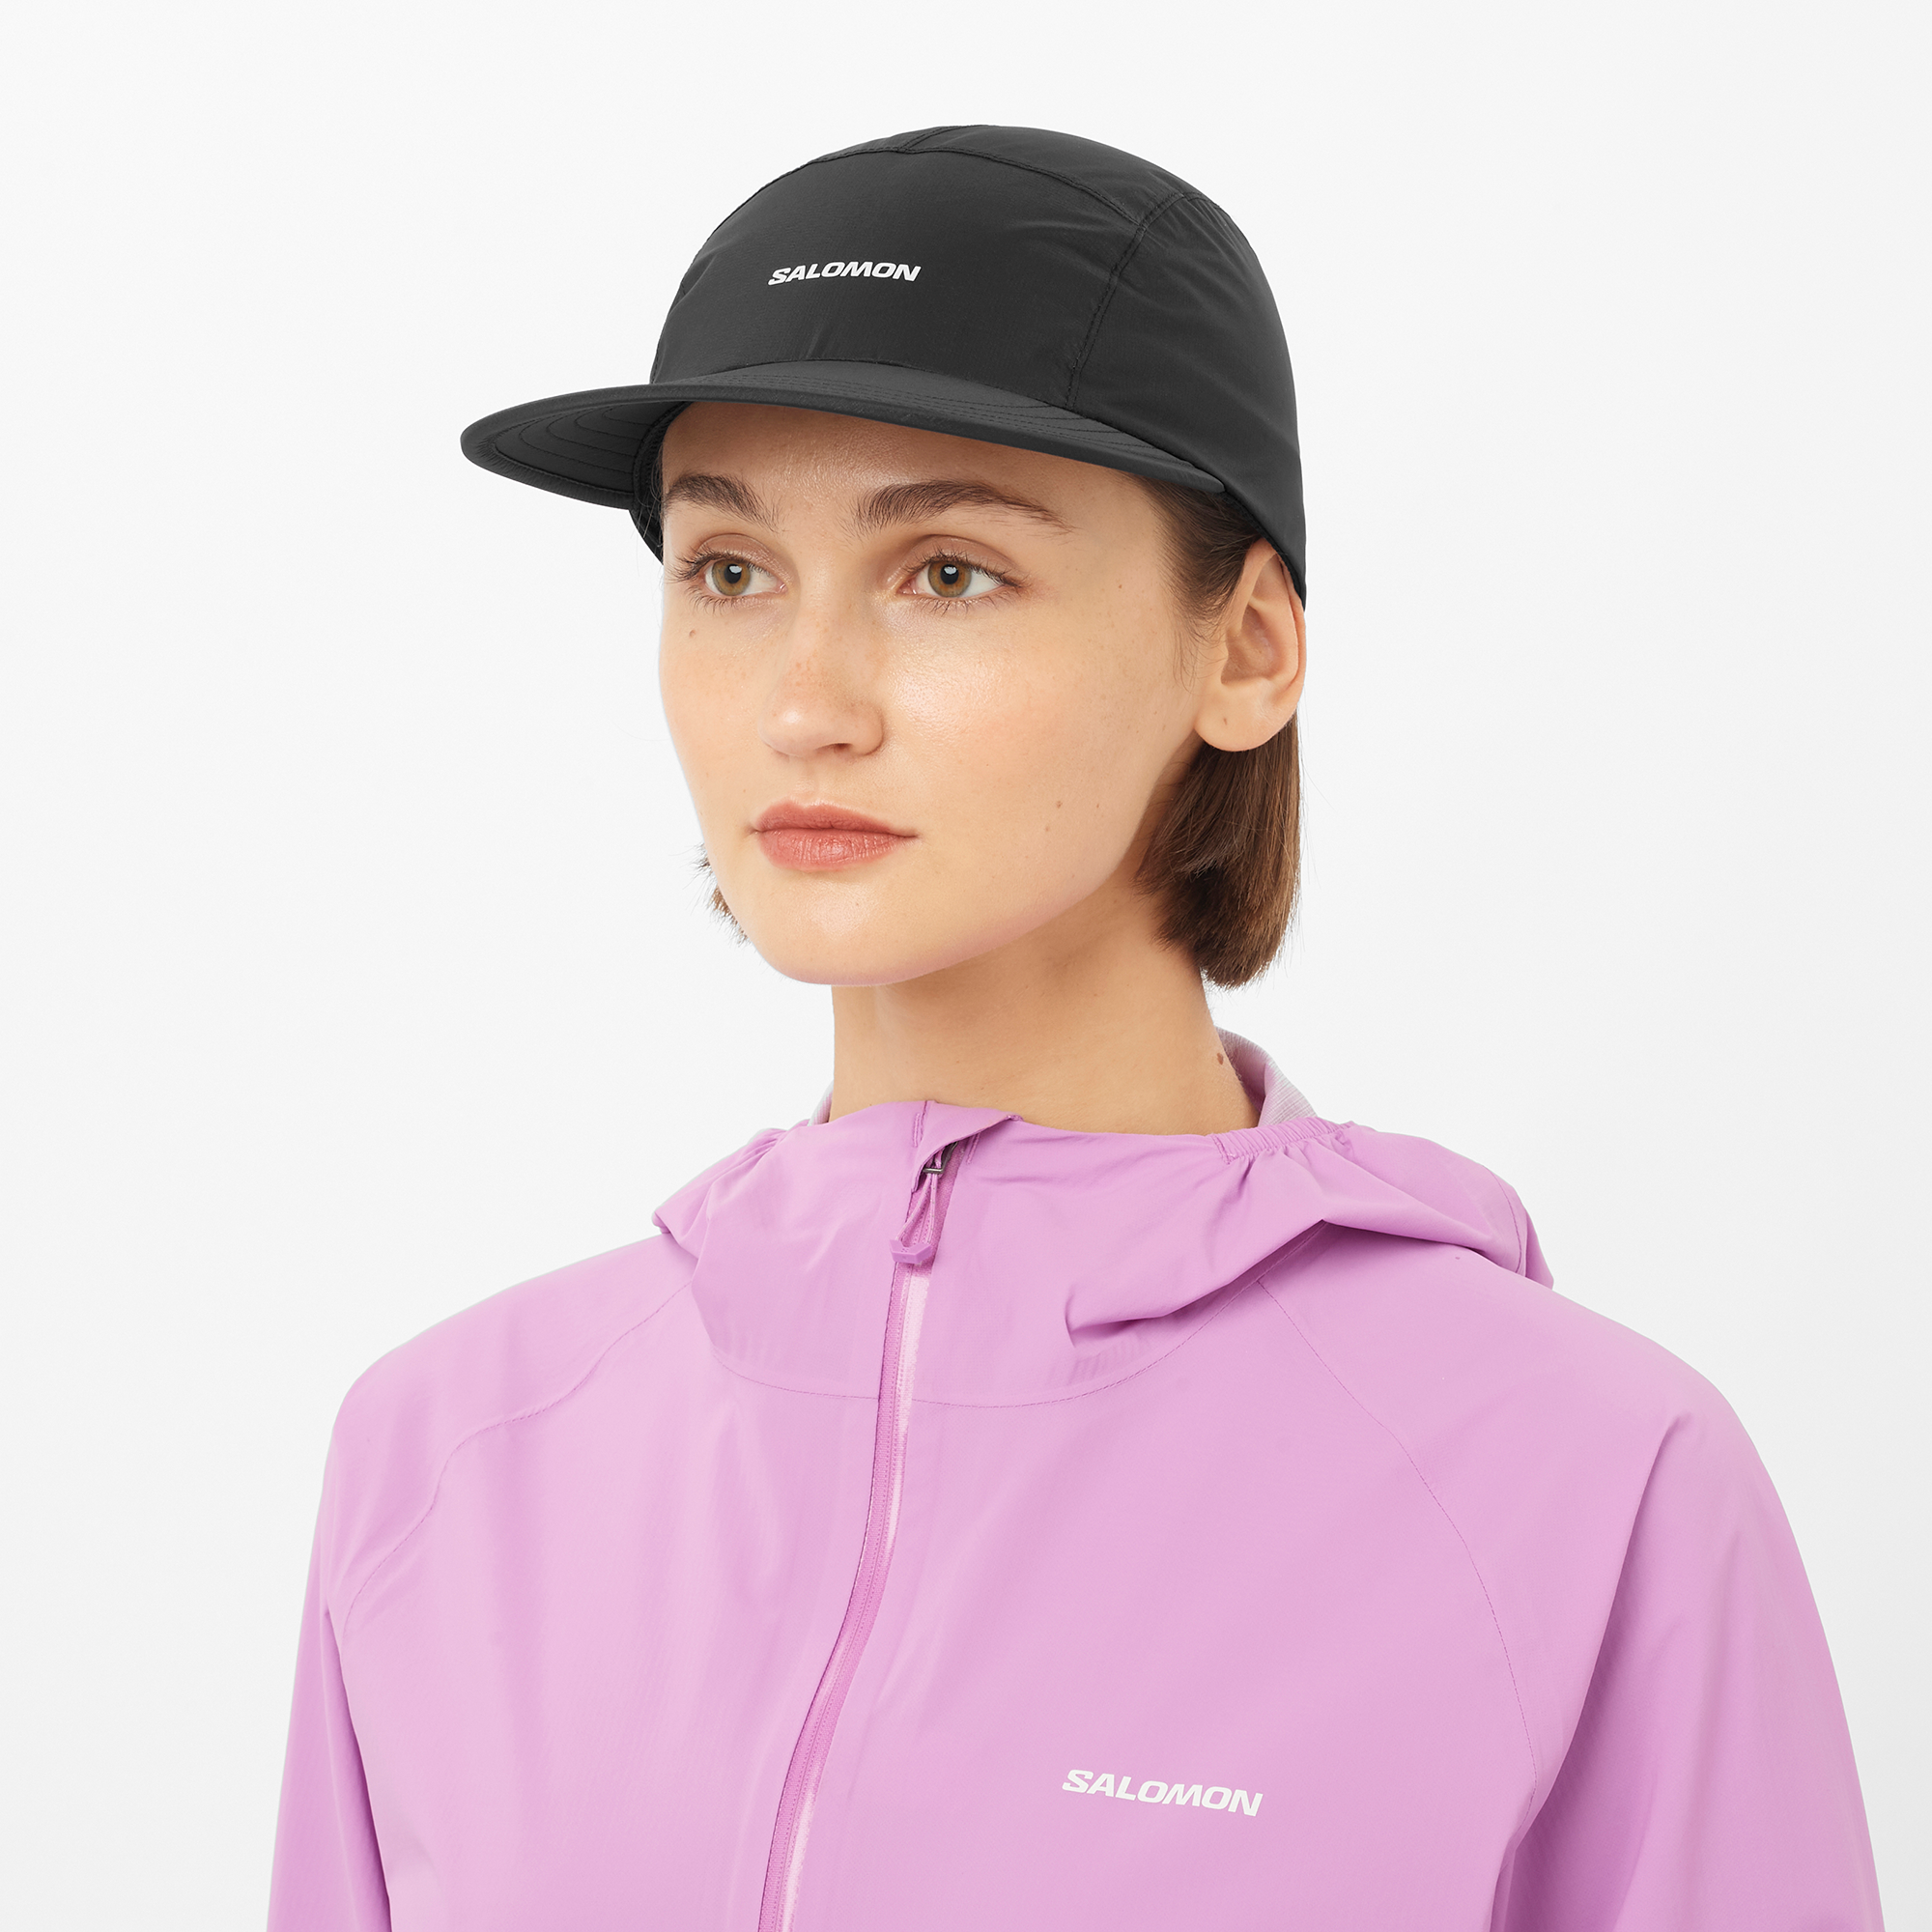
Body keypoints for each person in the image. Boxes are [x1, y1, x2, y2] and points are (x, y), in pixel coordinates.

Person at [269, 126, 1882, 1931]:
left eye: (948, 571)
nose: (805, 704)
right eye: (728, 571)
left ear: (1247, 650)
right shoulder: (449, 1458)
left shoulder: (1582, 1482)